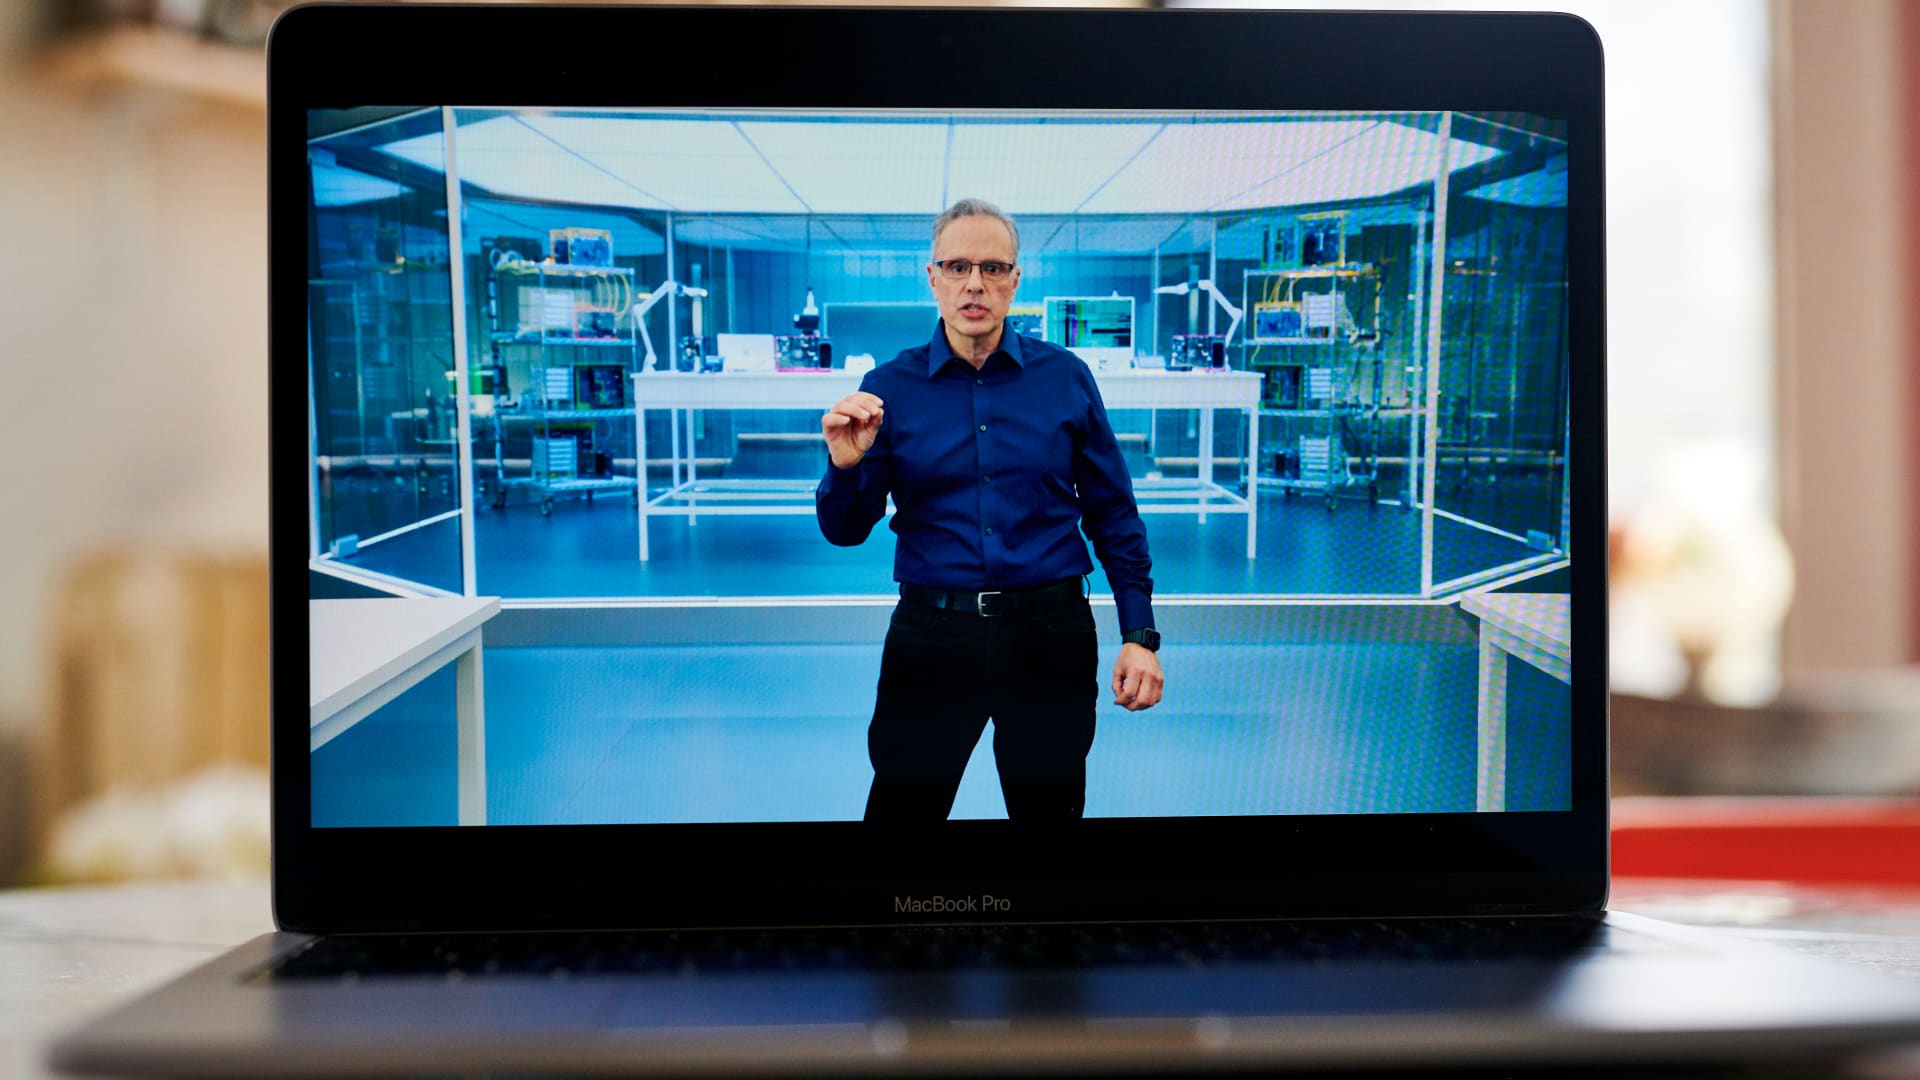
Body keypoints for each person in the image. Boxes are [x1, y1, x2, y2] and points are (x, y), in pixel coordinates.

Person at [816, 198, 1164, 823]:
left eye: (992, 268)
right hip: (931, 638)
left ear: (1015, 280)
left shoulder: (1065, 378)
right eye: (957, 267)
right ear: (933, 278)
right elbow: (844, 532)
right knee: (901, 815)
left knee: (1049, 816)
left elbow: (1114, 514)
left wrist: (1139, 635)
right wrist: (844, 469)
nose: (974, 283)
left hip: (1050, 637)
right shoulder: (888, 389)